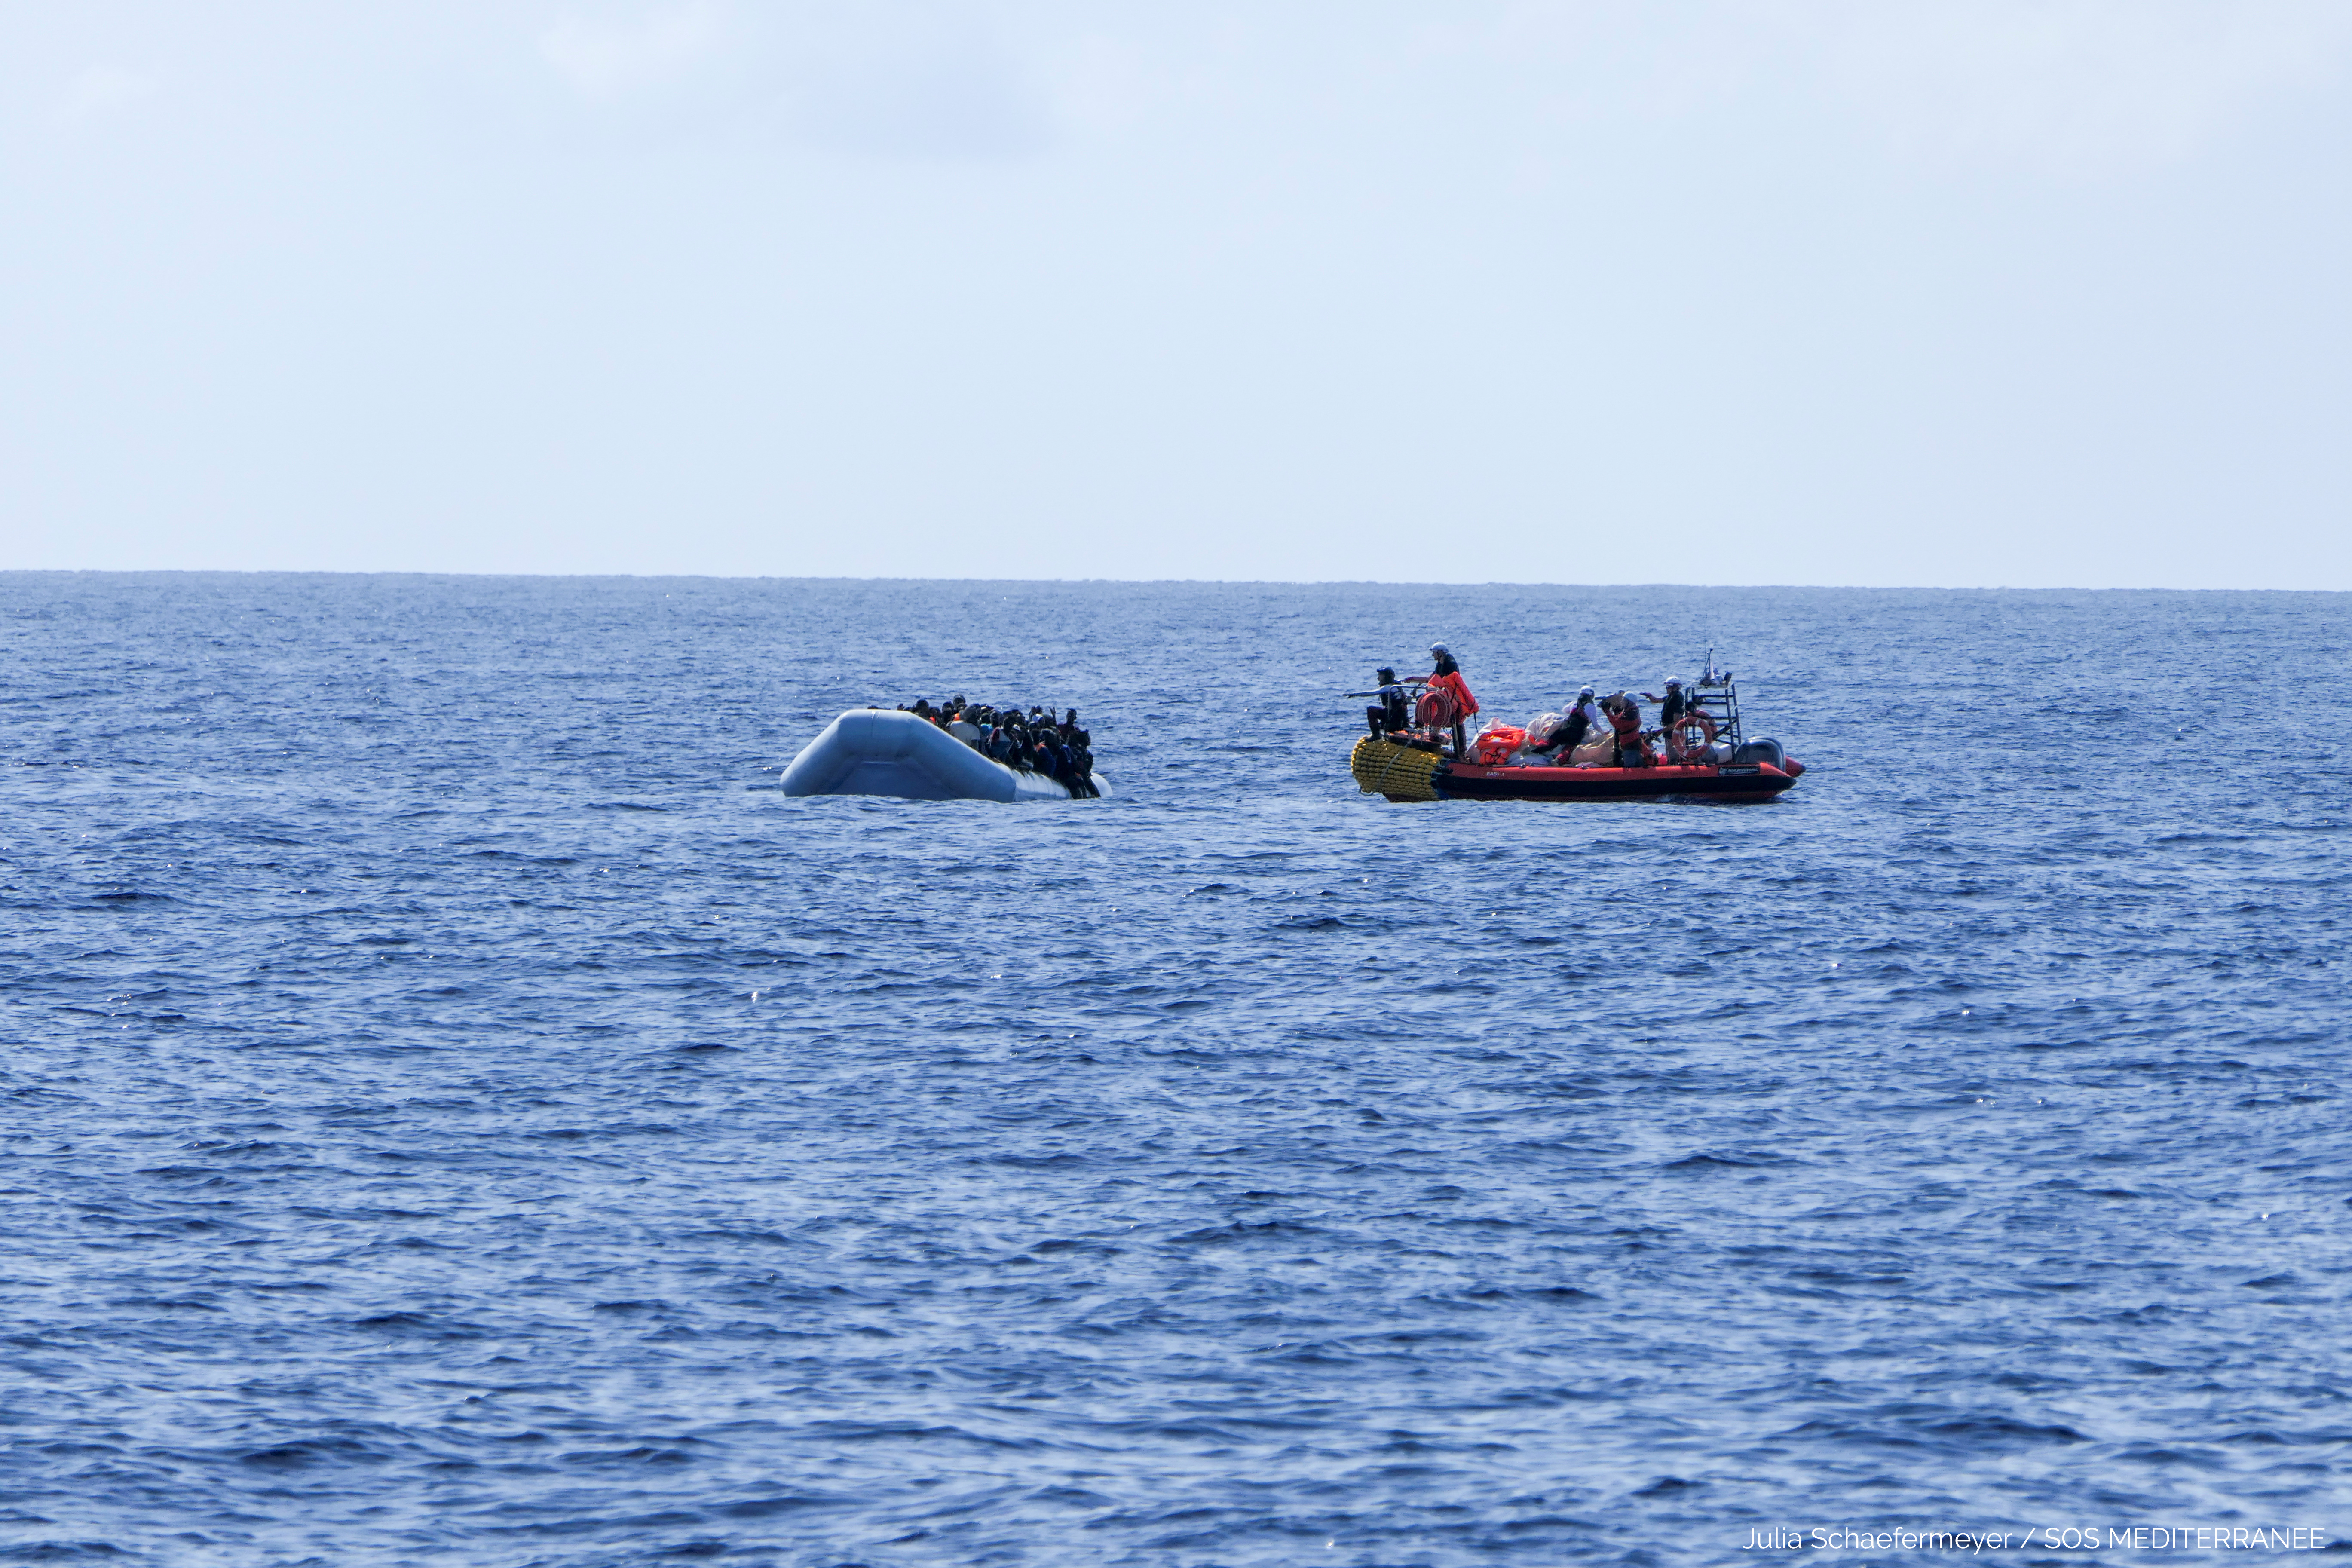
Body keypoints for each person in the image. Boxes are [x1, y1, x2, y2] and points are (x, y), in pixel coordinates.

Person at [1422, 643, 1479, 756]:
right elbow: (1432, 679)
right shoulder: (1440, 664)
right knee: (1438, 713)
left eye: (1434, 652)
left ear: (1440, 652)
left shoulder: (1451, 664)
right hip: (1445, 695)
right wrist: (1414, 680)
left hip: (1453, 696)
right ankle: (1434, 736)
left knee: (1456, 721)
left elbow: (1453, 681)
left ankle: (1461, 751)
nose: (1433, 655)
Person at [1356, 668, 1410, 738]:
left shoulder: (1388, 688)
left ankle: (1376, 735)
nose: (1378, 679)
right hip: (1400, 717)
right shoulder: (1396, 685)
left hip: (1395, 718)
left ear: (1387, 678)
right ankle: (1384, 726)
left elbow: (1370, 693)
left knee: (1371, 710)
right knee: (1384, 710)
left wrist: (1354, 695)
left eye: (1380, 677)